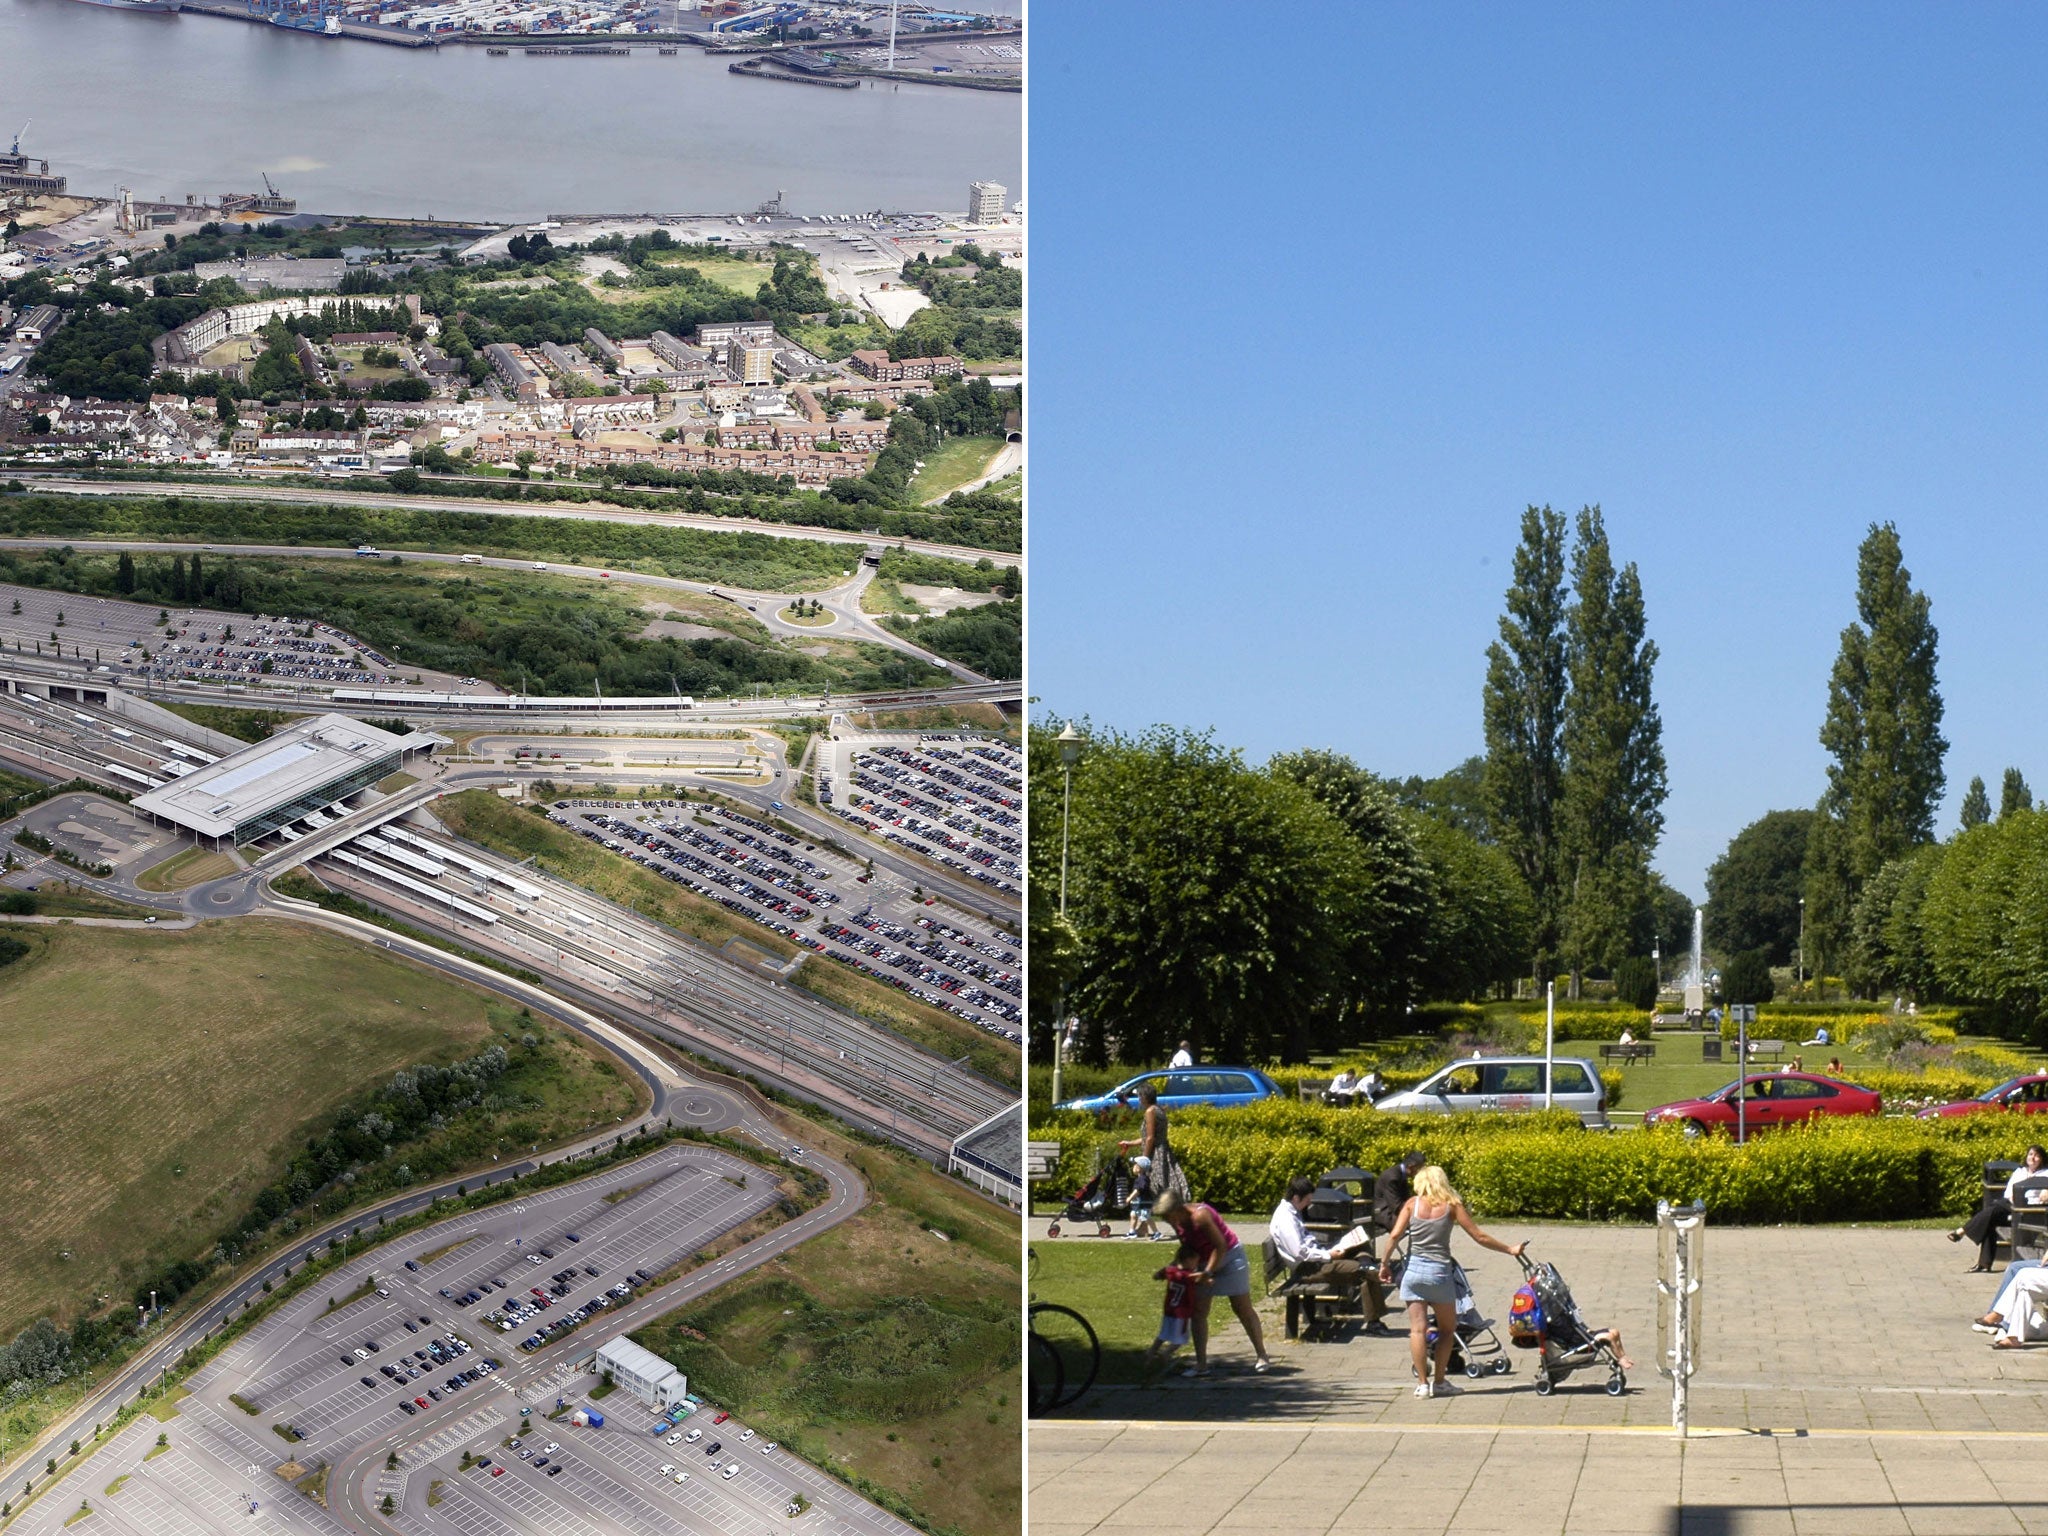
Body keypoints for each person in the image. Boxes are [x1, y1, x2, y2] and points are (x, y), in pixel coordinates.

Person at [1377, 1165, 1526, 1399]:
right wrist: (1510, 1249)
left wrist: (1384, 1264)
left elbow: (1394, 1235)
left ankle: (1422, 1385)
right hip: (1439, 1275)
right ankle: (1440, 1381)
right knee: (1448, 1329)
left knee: (1417, 1329)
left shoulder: (1411, 1204)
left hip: (1413, 1273)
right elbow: (1479, 1236)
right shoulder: (1451, 1205)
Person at [1152, 1189, 1273, 1376]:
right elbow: (1188, 1248)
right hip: (1203, 1262)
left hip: (1230, 1258)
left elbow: (1220, 1246)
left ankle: (1262, 1355)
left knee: (1242, 1308)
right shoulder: (1178, 1222)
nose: (1166, 1221)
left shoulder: (1200, 1216)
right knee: (1198, 1312)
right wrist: (1172, 1269)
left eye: (1167, 1216)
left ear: (1178, 1209)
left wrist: (1207, 1272)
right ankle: (1201, 1365)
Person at [1270, 1174, 1391, 1335]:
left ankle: (1369, 1266)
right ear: (1296, 1197)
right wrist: (1329, 1255)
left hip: (1318, 1258)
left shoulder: (1291, 1211)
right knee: (1364, 1271)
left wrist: (1331, 1250)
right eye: (1307, 1201)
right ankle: (1373, 1321)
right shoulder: (1285, 1219)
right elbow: (1301, 1253)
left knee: (1361, 1244)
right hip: (1308, 1268)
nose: (1308, 1204)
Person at [1950, 1145, 2048, 1273]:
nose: (2033, 1158)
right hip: (2012, 1206)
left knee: (1992, 1212)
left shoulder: (2046, 1174)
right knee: (1991, 1218)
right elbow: (2008, 1193)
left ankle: (1963, 1231)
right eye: (2030, 1154)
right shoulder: (2020, 1172)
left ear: (2041, 1159)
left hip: (2030, 1211)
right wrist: (2014, 1198)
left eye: (2036, 1156)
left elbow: (2043, 1198)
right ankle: (1983, 1264)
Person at [1117, 1082, 1188, 1202]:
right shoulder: (1158, 1109)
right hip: (1163, 1150)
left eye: (1139, 1096)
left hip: (1156, 1154)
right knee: (1166, 1183)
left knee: (1158, 1188)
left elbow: (1150, 1138)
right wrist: (1130, 1143)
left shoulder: (1150, 1111)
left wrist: (1143, 1160)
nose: (1139, 1099)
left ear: (1145, 1097)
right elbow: (1148, 1137)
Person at [1142, 1251, 1200, 1379]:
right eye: (1195, 1261)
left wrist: (1158, 1275)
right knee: (1180, 1339)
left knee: (1163, 1334)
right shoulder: (1187, 1276)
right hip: (1182, 1313)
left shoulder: (1171, 1271)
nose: (1196, 1264)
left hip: (1169, 1311)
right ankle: (1166, 1354)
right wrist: (1209, 1276)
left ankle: (1151, 1352)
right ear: (1188, 1260)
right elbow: (1199, 1277)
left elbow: (1159, 1274)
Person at [1374, 1151, 1426, 1235]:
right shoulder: (1392, 1178)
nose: (1419, 1172)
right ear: (1411, 1166)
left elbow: (1406, 1198)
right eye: (1419, 1169)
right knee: (1421, 1225)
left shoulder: (1401, 1174)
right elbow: (1396, 1206)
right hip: (1385, 1214)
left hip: (1393, 1210)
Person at [1125, 1155, 1160, 1241]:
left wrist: (1130, 1198)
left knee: (1146, 1217)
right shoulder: (1140, 1178)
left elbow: (1138, 1190)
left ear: (1140, 1167)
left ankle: (1156, 1233)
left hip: (1143, 1203)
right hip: (1138, 1203)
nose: (1133, 1166)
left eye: (1135, 1164)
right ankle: (1132, 1232)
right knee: (1133, 1214)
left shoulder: (1143, 1179)